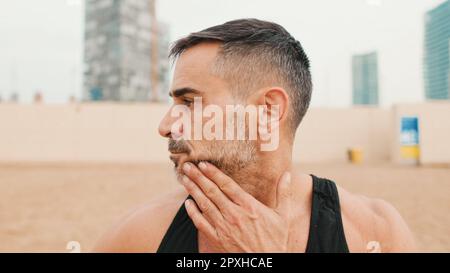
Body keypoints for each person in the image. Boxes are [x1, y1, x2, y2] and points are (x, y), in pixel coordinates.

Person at [93, 19, 416, 253]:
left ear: (268, 109)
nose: (165, 126)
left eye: (189, 102)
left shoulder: (376, 232)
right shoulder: (139, 236)